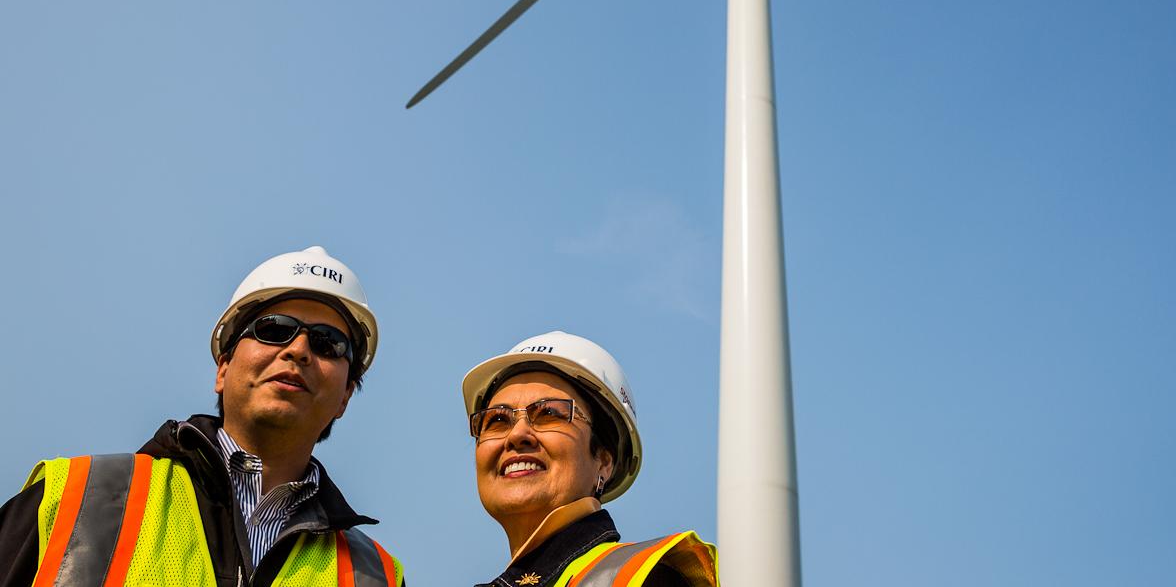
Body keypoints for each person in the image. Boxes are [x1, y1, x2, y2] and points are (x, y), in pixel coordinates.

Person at [0, 245, 404, 587]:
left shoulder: (376, 575)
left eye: (327, 342)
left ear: (345, 396)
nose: (298, 349)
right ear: (223, 367)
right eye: (274, 328)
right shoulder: (75, 498)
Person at [463, 331, 717, 587]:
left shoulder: (645, 578)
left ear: (604, 461)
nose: (517, 434)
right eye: (497, 420)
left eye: (549, 413)